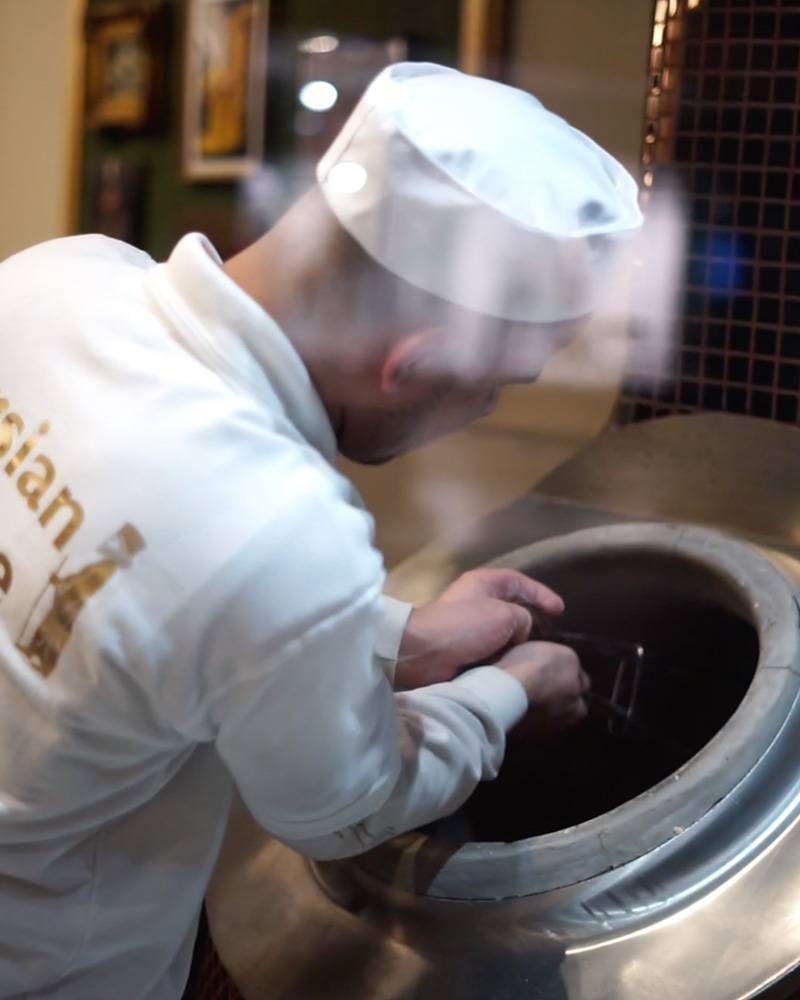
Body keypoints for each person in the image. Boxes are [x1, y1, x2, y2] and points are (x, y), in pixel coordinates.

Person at [0, 62, 642, 998]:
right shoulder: (283, 525)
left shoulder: (57, 278)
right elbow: (335, 809)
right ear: (412, 363)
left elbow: (123, 593)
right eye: (498, 382)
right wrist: (506, 696)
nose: (489, 405)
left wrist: (394, 637)